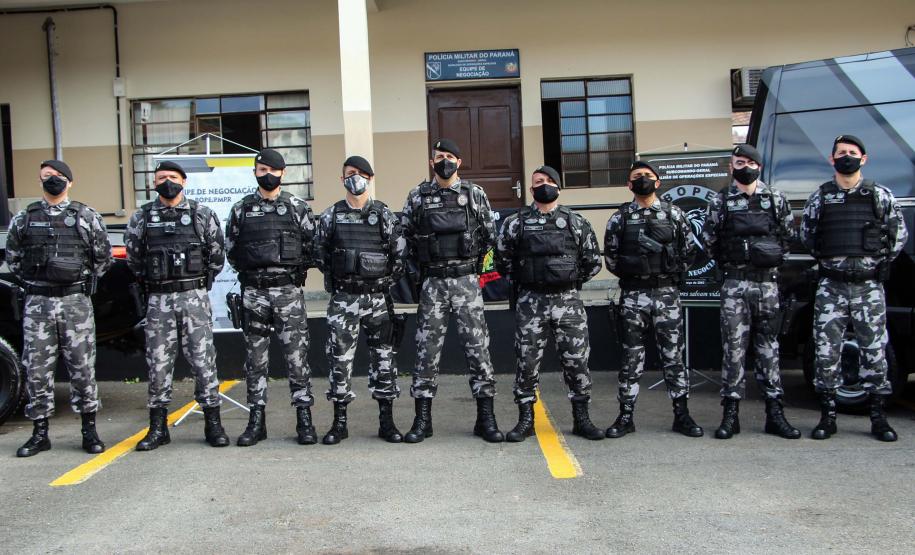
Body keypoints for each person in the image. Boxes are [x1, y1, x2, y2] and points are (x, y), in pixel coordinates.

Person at [800, 135, 907, 441]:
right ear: (831, 160)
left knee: (875, 352)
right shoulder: (820, 197)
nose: (846, 156)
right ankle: (827, 416)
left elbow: (898, 236)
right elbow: (809, 237)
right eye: (841, 153)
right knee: (826, 352)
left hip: (868, 287)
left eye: (852, 152)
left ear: (863, 159)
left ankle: (878, 417)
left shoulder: (880, 195)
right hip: (831, 287)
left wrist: (872, 264)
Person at [399, 138, 502, 443]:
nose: (443, 160)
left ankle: (486, 418)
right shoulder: (418, 195)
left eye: (449, 156)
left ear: (459, 162)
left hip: (466, 282)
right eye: (438, 156)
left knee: (478, 350)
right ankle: (422, 420)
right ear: (432, 162)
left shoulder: (474, 194)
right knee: (426, 353)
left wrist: (468, 264)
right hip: (433, 283)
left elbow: (489, 237)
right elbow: (405, 235)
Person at [7, 160, 112, 457]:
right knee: (37, 369)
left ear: (69, 181)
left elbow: (102, 258)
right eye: (46, 177)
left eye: (57, 176)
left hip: (74, 303)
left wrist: (73, 279)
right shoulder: (24, 219)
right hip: (38, 303)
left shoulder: (86, 216)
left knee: (82, 367)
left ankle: (89, 431)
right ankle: (40, 433)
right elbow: (14, 260)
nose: (52, 180)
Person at [125, 160, 229, 450]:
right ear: (153, 183)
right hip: (158, 301)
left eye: (172, 176)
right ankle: (158, 428)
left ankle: (213, 424)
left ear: (183, 181)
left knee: (203, 361)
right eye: (161, 177)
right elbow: (134, 259)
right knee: (158, 364)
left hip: (193, 297)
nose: (166, 181)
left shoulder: (201, 214)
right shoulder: (142, 218)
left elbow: (216, 255)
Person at [495, 165, 604, 442]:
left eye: (547, 181)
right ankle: (525, 421)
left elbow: (592, 262)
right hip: (531, 302)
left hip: (568, 302)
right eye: (537, 182)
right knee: (527, 363)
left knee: (577, 362)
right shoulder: (516, 223)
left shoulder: (575, 222)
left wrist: (565, 279)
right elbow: (502, 260)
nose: (542, 185)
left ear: (557, 186)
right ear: (531, 190)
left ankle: (582, 419)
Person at [702, 144, 800, 440]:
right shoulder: (720, 201)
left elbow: (787, 237)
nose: (743, 166)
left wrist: (766, 257)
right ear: (731, 167)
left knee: (768, 348)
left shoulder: (776, 199)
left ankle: (775, 413)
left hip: (767, 284)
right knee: (733, 349)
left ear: (758, 165)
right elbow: (710, 240)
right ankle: (731, 415)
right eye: (737, 162)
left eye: (748, 161)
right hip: (734, 284)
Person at [604, 160, 703, 438]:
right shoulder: (620, 218)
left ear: (658, 183)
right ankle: (625, 417)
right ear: (629, 185)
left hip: (667, 294)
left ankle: (681, 414)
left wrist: (669, 270)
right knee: (631, 356)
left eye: (648, 176)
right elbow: (611, 257)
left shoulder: (674, 214)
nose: (643, 179)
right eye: (637, 176)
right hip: (634, 295)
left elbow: (689, 252)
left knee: (673, 356)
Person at [225, 148, 317, 446]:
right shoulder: (241, 209)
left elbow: (312, 246)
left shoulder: (296, 207)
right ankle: (256, 420)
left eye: (272, 170)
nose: (267, 174)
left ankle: (304, 419)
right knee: (255, 359)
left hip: (288, 292)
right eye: (261, 169)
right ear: (255, 172)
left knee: (297, 357)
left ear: (282, 173)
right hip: (254, 292)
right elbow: (231, 250)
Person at [314, 155, 406, 444]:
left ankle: (387, 422)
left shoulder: (384, 215)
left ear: (370, 178)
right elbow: (319, 255)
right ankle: (339, 424)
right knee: (339, 361)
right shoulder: (331, 216)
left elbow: (400, 256)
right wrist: (344, 276)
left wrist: (379, 281)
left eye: (361, 173)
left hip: (378, 299)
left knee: (384, 359)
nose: (356, 178)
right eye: (350, 173)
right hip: (344, 300)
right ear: (342, 179)